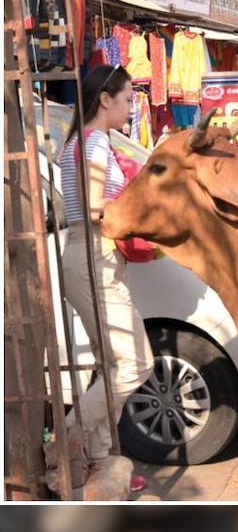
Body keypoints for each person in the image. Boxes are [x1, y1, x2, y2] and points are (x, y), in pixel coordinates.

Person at [55, 65, 154, 496]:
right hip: (94, 254)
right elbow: (96, 210)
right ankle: (71, 435)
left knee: (110, 366)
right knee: (136, 362)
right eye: (129, 98)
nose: (132, 108)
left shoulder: (79, 142)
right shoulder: (93, 144)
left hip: (88, 255)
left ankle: (98, 462)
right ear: (105, 99)